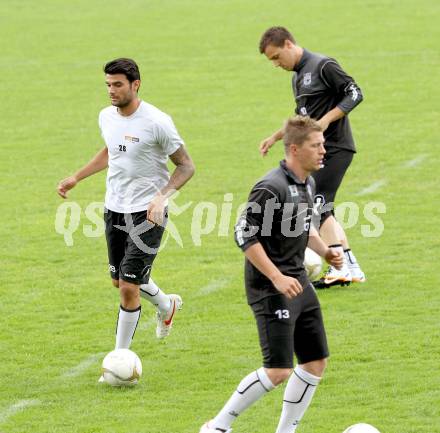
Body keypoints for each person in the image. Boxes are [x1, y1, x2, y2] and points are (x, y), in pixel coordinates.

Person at [200, 116, 343, 433]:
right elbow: (244, 236)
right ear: (294, 148)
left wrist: (325, 251)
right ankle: (217, 427)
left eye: (323, 145)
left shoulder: (307, 182)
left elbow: (303, 227)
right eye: (316, 146)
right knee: (278, 370)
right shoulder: (271, 187)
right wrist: (276, 277)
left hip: (298, 283)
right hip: (270, 287)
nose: (324, 151)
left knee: (315, 362)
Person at [57, 58, 195, 359]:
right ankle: (166, 305)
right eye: (108, 85)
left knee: (129, 287)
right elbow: (111, 150)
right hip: (114, 208)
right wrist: (76, 177)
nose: (111, 90)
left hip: (148, 212)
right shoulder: (106, 116)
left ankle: (119, 358)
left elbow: (186, 166)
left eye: (117, 84)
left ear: (136, 84)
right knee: (119, 280)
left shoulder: (157, 122)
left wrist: (161, 197)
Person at [258, 26, 366, 287]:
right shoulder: (297, 78)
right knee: (323, 207)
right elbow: (302, 119)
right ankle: (349, 267)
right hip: (315, 151)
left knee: (318, 205)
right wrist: (276, 136)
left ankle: (342, 266)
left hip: (336, 147)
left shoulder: (323, 65)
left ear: (288, 44)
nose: (276, 64)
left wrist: (327, 121)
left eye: (276, 57)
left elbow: (355, 93)